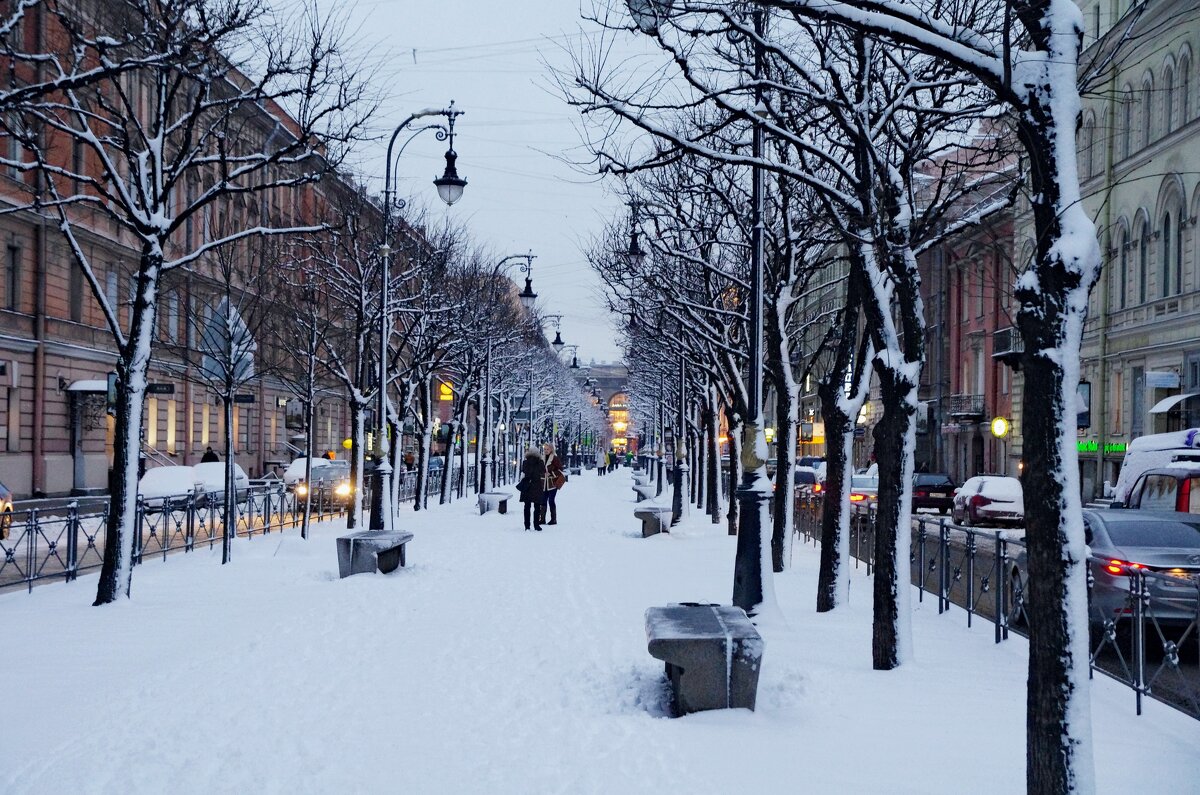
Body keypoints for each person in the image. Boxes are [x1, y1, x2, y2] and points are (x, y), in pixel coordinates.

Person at [518, 446, 547, 531]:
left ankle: (527, 525)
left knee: (527, 506)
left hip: (527, 486)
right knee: (537, 506)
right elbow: (543, 471)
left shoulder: (525, 462)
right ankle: (536, 525)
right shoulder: (540, 462)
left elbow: (524, 471)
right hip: (537, 486)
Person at [541, 443, 565, 525]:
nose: (546, 451)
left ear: (551, 450)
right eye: (545, 449)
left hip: (552, 483)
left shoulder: (555, 459)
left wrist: (551, 473)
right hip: (543, 483)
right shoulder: (541, 458)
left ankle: (553, 519)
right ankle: (542, 519)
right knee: (543, 500)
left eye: (547, 449)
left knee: (551, 500)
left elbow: (561, 470)